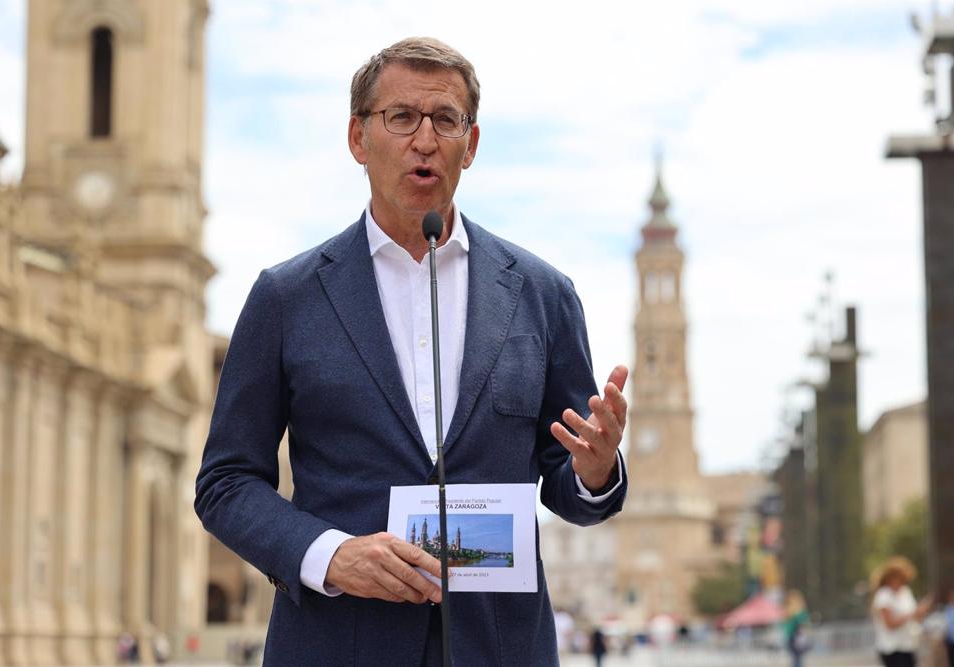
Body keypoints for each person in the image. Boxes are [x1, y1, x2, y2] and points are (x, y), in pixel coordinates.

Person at [195, 37, 629, 666]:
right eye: (400, 117)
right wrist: (329, 555)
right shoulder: (285, 298)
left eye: (446, 120)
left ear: (470, 145)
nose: (424, 139)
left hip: (499, 648)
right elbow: (226, 482)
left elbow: (567, 482)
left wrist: (593, 473)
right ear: (358, 139)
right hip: (336, 643)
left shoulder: (542, 295)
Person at [870, 556, 934, 667]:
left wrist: (921, 611)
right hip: (892, 648)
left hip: (908, 645)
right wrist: (911, 614)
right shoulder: (884, 595)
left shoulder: (905, 592)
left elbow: (915, 617)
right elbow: (890, 624)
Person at [782, 589, 810, 667]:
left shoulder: (797, 611)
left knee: (797, 658)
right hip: (793, 636)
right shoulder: (793, 611)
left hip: (795, 636)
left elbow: (803, 624)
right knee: (796, 658)